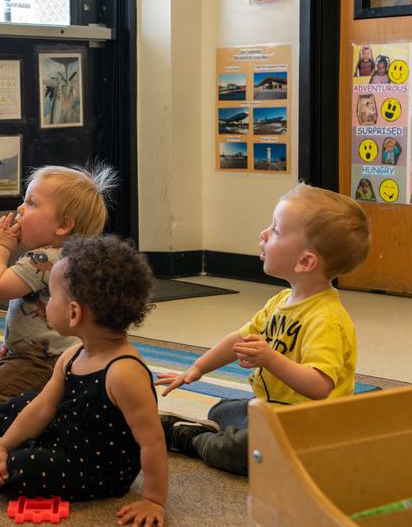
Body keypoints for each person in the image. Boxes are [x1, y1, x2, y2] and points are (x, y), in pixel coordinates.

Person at [0, 236, 166, 526]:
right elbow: (40, 409)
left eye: (51, 297)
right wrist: (6, 445)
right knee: (25, 402)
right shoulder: (73, 355)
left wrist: (153, 499)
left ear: (74, 313)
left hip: (93, 469)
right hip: (62, 436)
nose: (46, 303)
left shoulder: (124, 372)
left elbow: (153, 441)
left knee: (27, 469)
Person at [155, 184, 371, 476]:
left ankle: (191, 439)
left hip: (308, 425)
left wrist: (270, 359)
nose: (264, 233)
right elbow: (239, 339)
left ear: (305, 261)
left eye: (277, 230)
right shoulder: (282, 300)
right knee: (221, 410)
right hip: (273, 409)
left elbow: (320, 386)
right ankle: (231, 427)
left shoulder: (327, 319)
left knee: (236, 450)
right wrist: (196, 368)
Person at [0, 164, 117, 408]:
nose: (21, 208)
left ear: (63, 225)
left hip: (44, 360)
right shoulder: (70, 256)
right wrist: (12, 345)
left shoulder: (43, 259)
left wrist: (0, 246)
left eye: (32, 203)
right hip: (53, 353)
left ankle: (45, 417)